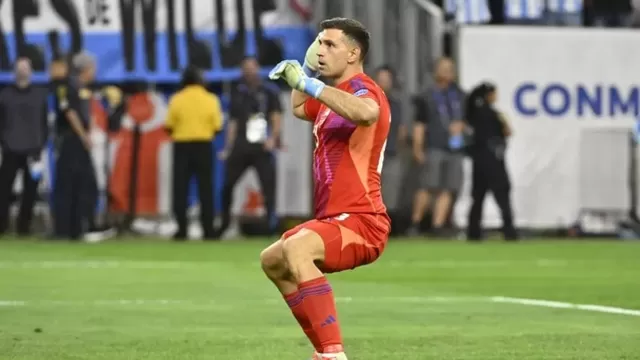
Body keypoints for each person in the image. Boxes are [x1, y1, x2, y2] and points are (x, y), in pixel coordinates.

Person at [265, 18, 390, 360]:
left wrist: (309, 82)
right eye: (319, 43)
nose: (321, 50)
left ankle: (333, 355)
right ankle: (324, 350)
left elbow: (367, 113)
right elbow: (299, 107)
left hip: (364, 221)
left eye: (330, 45)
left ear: (353, 53)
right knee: (273, 261)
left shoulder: (365, 89)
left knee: (298, 250)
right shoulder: (332, 98)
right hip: (336, 219)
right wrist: (306, 71)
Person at [216, 57, 282, 237]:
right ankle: (224, 223)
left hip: (261, 147)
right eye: (246, 68)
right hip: (241, 146)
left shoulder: (268, 91)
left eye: (252, 68)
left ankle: (271, 226)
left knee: (268, 187)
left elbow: (276, 116)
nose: (249, 72)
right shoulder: (238, 92)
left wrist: (272, 138)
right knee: (227, 186)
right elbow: (233, 122)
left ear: (258, 69)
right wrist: (228, 148)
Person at [408, 57, 466, 236]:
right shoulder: (427, 96)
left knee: (449, 187)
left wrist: (461, 126)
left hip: (455, 148)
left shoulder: (461, 95)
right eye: (444, 68)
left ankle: (437, 225)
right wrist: (418, 148)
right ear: (436, 71)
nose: (448, 72)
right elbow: (419, 124)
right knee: (428, 186)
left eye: (450, 68)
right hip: (434, 146)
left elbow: (466, 120)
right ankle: (415, 224)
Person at [165, 66, 223, 240]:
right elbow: (217, 126)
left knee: (180, 189)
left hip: (182, 145)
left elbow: (169, 125)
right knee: (206, 189)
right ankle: (208, 230)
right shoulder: (210, 98)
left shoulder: (177, 98)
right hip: (203, 145)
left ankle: (182, 229)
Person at [52, 52, 99, 240]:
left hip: (79, 139)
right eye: (93, 68)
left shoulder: (83, 89)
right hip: (71, 140)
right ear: (86, 68)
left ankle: (78, 227)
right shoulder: (68, 86)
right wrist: (84, 136)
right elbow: (70, 112)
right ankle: (65, 229)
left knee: (83, 183)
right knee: (68, 183)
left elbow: (86, 113)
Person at [0, 58, 49, 237]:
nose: (22, 71)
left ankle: (24, 227)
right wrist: (4, 142)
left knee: (30, 191)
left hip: (33, 150)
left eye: (26, 68)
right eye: (19, 68)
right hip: (10, 149)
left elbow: (44, 122)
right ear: (14, 71)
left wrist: (41, 142)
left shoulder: (39, 95)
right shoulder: (5, 95)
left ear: (31, 71)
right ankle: (2, 226)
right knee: (4, 190)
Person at [465, 82, 518, 241]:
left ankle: (473, 231)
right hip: (494, 159)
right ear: (489, 95)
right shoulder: (495, 114)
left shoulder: (473, 113)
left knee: (478, 197)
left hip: (479, 159)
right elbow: (508, 131)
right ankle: (509, 230)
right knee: (502, 194)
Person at [375, 65, 406, 212]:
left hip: (391, 153)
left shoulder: (396, 104)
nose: (383, 83)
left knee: (390, 192)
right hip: (372, 156)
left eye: (386, 80)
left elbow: (401, 129)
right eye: (380, 79)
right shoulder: (368, 102)